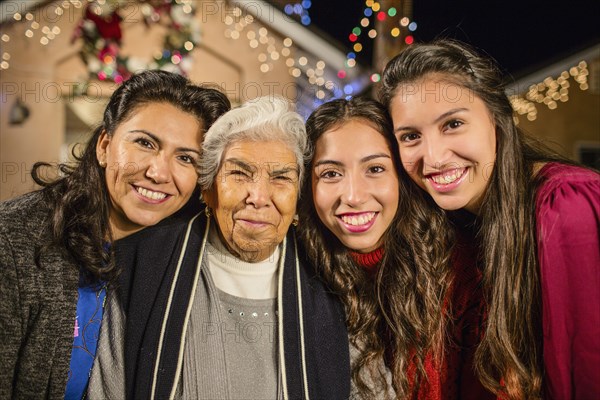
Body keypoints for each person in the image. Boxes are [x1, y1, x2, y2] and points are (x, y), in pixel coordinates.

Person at [380, 39, 600, 399]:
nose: (433, 158)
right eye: (411, 136)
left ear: (497, 119)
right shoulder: (451, 231)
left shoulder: (565, 208)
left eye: (452, 124)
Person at [0, 70, 230, 399]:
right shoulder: (12, 240)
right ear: (105, 146)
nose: (158, 172)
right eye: (145, 143)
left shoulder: (181, 257)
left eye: (185, 158)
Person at [115, 96, 351, 399]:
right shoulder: (141, 266)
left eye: (281, 178)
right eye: (239, 173)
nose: (259, 197)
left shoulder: (333, 281)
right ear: (208, 189)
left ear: (297, 199)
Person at [299, 97, 408, 398]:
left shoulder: (454, 268)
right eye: (331, 174)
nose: (354, 196)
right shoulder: (295, 278)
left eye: (374, 169)